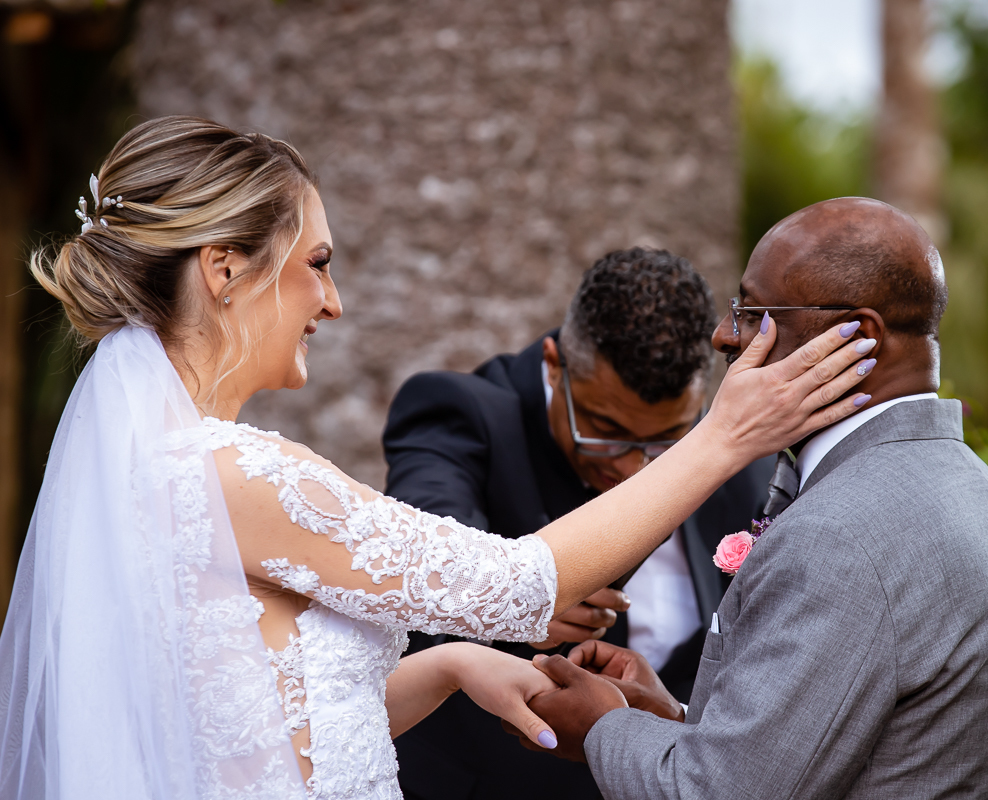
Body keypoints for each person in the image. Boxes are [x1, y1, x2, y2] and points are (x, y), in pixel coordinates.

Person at [0, 117, 875, 800]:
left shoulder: (151, 474)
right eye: (317, 263)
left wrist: (452, 665)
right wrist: (725, 436)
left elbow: (270, 736)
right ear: (224, 270)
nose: (333, 302)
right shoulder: (236, 475)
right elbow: (517, 583)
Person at [508, 198, 988, 800]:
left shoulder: (844, 534)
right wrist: (672, 719)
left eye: (753, 313)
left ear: (860, 337)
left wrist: (602, 726)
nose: (725, 336)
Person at [383, 248, 772, 800]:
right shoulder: (458, 415)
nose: (633, 467)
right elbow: (422, 568)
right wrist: (520, 599)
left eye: (666, 441)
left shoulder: (734, 458)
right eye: (605, 430)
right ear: (553, 365)